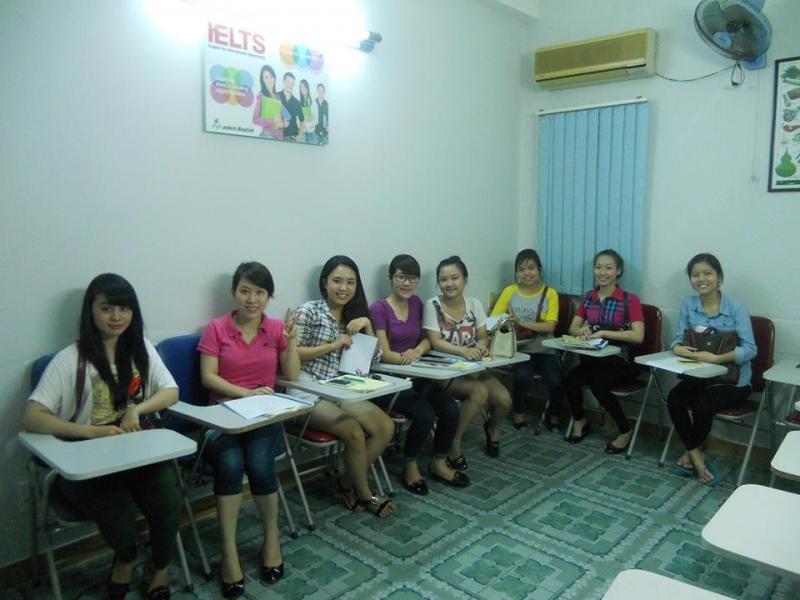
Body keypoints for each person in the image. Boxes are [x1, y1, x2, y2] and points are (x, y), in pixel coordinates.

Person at [22, 273, 179, 600]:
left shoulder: (140, 349)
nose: (116, 316)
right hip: (85, 459)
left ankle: (160, 567)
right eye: (107, 308)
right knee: (121, 516)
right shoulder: (70, 359)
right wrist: (91, 432)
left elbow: (171, 391)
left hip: (135, 453)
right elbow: (32, 417)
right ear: (90, 311)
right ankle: (126, 558)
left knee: (167, 501)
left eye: (124, 308)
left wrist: (137, 409)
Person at [198, 262, 300, 597]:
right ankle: (229, 551)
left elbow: (292, 375)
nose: (252, 299)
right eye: (245, 291)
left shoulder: (276, 329)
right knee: (229, 464)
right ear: (234, 293)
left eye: (260, 292)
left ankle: (271, 539)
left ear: (269, 296)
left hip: (263, 418)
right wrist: (245, 393)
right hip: (223, 417)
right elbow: (208, 377)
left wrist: (292, 343)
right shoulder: (217, 328)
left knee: (259, 464)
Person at [294, 255, 396, 517]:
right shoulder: (309, 311)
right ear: (324, 282)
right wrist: (333, 344)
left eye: (350, 282)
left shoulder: (355, 315)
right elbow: (291, 355)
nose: (344, 287)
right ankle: (365, 493)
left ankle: (346, 478)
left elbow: (375, 359)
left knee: (385, 427)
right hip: (307, 389)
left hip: (340, 388)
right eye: (337, 281)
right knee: (354, 432)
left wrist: (368, 324)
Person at [371, 255, 468, 494]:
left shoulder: (417, 303)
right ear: (390, 279)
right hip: (390, 381)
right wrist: (408, 360)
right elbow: (383, 353)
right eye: (401, 277)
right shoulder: (378, 308)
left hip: (416, 377)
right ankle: (410, 466)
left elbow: (427, 339)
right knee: (424, 414)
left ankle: (438, 462)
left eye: (413, 278)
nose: (407, 283)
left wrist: (417, 351)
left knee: (450, 409)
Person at [667, 253, 756, 485]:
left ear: (719, 277)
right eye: (695, 274)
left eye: (707, 273)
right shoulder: (689, 304)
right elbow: (676, 340)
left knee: (702, 405)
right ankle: (696, 453)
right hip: (699, 376)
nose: (701, 279)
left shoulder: (736, 308)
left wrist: (718, 358)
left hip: (733, 380)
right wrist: (679, 349)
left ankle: (692, 453)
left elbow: (750, 349)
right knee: (674, 399)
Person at [423, 256, 512, 470]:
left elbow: (482, 336)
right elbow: (435, 342)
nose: (449, 283)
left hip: (473, 367)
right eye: (443, 279)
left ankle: (493, 428)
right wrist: (464, 351)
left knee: (504, 400)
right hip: (445, 369)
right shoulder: (432, 305)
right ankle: (454, 441)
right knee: (479, 392)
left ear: (465, 280)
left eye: (455, 278)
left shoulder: (474, 304)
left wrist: (481, 347)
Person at [564, 249, 645, 453]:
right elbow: (573, 328)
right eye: (598, 267)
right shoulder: (589, 297)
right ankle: (580, 421)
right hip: (594, 359)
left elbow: (638, 336)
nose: (602, 272)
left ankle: (625, 430)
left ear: (618, 271)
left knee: (598, 384)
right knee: (571, 379)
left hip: (621, 361)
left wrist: (604, 333)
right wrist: (581, 331)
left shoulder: (629, 300)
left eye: (608, 268)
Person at [491, 249, 564, 431]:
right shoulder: (509, 291)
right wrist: (507, 321)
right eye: (521, 269)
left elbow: (550, 327)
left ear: (539, 269)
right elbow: (493, 321)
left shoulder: (550, 293)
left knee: (556, 379)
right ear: (516, 272)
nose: (527, 273)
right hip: (519, 349)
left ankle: (554, 414)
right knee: (522, 376)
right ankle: (518, 412)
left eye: (531, 268)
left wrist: (522, 322)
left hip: (545, 348)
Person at [252, 64, 289, 139]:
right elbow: (255, 119)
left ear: (274, 78)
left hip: (280, 135)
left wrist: (283, 123)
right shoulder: (261, 96)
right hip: (268, 135)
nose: (270, 80)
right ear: (262, 80)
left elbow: (285, 115)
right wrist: (272, 121)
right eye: (266, 77)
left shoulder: (278, 96)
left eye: (271, 77)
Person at [278, 72, 305, 141]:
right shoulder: (275, 97)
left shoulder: (296, 102)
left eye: (292, 84)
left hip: (293, 138)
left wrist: (300, 135)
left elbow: (302, 121)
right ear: (283, 82)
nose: (290, 86)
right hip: (278, 138)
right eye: (288, 82)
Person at [298, 79, 318, 144]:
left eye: (304, 86)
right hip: (302, 132)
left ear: (308, 88)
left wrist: (305, 118)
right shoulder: (299, 102)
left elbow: (313, 118)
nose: (303, 88)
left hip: (311, 134)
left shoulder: (312, 102)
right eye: (301, 86)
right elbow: (298, 119)